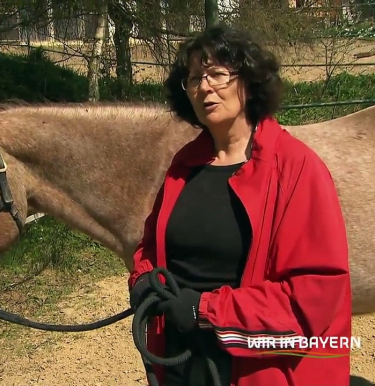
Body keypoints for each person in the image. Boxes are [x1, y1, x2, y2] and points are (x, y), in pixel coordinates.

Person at [128, 23, 352, 386]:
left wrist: (205, 312)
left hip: (258, 372)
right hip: (182, 362)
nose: (204, 87)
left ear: (248, 81)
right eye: (193, 79)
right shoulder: (183, 166)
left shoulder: (296, 168)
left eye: (217, 74)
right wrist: (143, 279)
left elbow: (312, 297)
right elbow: (153, 245)